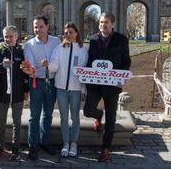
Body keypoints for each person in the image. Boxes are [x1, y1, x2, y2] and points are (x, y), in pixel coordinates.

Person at [83, 12, 131, 162]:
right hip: (95, 84)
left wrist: (121, 77)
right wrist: (85, 76)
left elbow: (126, 61)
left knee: (111, 118)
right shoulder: (92, 39)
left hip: (112, 85)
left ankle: (105, 148)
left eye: (106, 22)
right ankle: (98, 115)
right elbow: (89, 61)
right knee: (87, 110)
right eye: (101, 22)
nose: (103, 25)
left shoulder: (121, 40)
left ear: (112, 24)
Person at [42, 22, 88, 157]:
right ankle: (65, 143)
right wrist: (47, 65)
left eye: (71, 32)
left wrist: (84, 90)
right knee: (63, 117)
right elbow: (55, 66)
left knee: (75, 117)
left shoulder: (83, 50)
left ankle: (73, 143)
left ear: (76, 33)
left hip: (76, 89)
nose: (68, 34)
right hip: (61, 88)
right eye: (66, 32)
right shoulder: (59, 49)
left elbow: (85, 72)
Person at [23, 15, 60, 160]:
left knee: (48, 114)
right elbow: (30, 64)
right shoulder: (29, 45)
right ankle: (33, 145)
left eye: (41, 26)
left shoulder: (56, 41)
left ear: (47, 27)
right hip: (36, 82)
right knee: (34, 115)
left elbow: (59, 59)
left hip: (52, 81)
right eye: (35, 27)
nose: (38, 29)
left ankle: (45, 142)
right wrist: (30, 69)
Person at [0, 25, 29, 161]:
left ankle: (16, 147)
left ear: (16, 36)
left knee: (17, 122)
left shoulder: (22, 52)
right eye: (6, 36)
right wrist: (3, 66)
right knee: (1, 122)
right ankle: (0, 147)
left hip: (18, 93)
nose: (8, 39)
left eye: (10, 36)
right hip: (2, 93)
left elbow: (26, 74)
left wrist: (26, 90)